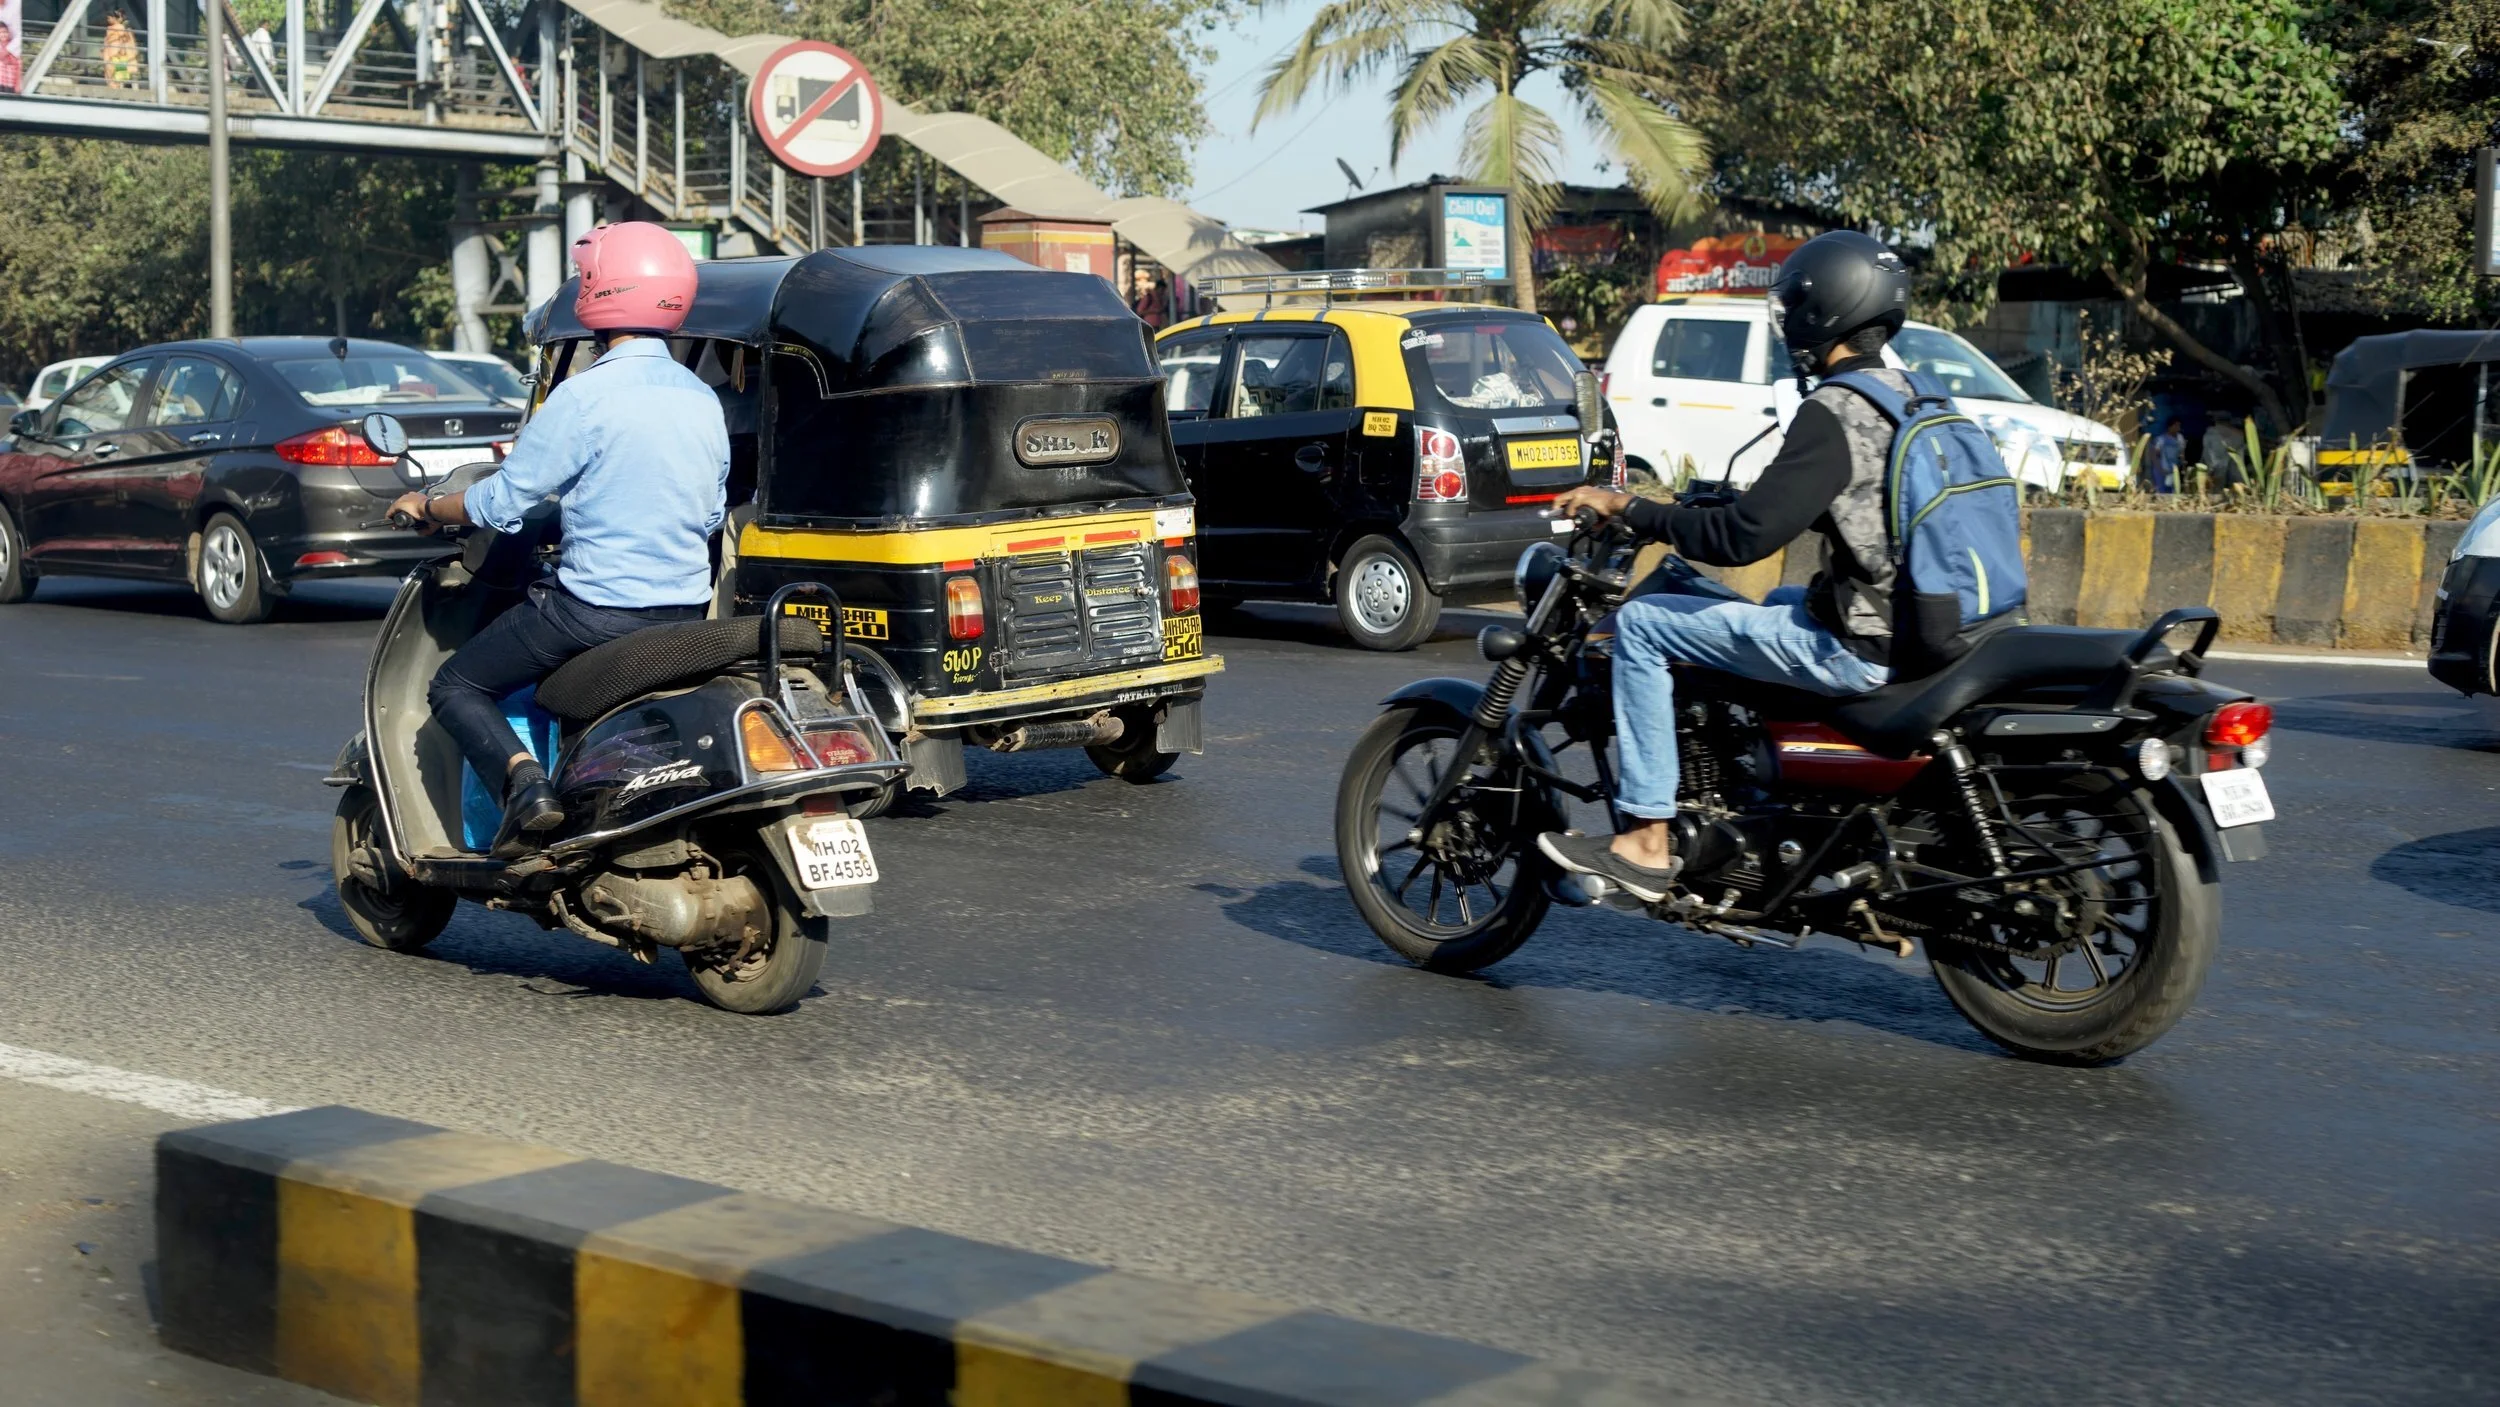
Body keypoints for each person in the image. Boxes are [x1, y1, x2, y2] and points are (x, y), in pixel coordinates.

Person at [1535, 230, 1914, 899]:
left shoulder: (1836, 409)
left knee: (1647, 623)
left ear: (1821, 310)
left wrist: (1635, 509)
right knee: (1771, 606)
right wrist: (1707, 501)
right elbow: (1810, 506)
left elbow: (1743, 540)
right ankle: (1748, 797)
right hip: (1917, 629)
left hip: (1863, 644)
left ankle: (1648, 840)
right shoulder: (1911, 398)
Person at [389, 221, 727, 858]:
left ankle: (526, 790)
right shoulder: (701, 398)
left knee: (456, 685)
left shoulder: (582, 397)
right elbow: (709, 516)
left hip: (592, 615)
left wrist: (432, 505)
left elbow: (502, 501)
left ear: (597, 290)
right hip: (682, 613)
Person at [2147, 418, 2185, 493]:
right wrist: (2160, 469)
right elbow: (2154, 455)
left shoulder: (2180, 438)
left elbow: (2182, 453)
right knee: (2161, 491)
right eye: (2176, 426)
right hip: (2161, 469)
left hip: (2173, 469)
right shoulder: (2160, 440)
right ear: (2170, 427)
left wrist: (2182, 467)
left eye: (2179, 426)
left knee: (2173, 491)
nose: (2178, 428)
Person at [101, 12, 138, 88]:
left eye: (109, 18)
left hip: (117, 51)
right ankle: (113, 86)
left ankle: (118, 87)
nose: (108, 20)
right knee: (109, 69)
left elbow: (122, 40)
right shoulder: (110, 28)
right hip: (109, 51)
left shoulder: (121, 27)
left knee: (118, 70)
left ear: (114, 18)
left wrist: (122, 50)